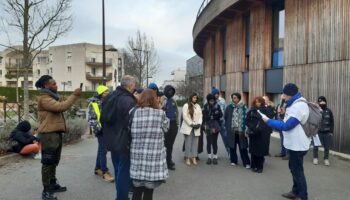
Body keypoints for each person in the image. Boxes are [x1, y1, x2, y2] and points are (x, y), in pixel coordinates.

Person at [261, 83, 310, 200]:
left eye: (284, 94)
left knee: (297, 171)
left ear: (290, 94)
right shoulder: (293, 104)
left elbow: (287, 126)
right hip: (293, 144)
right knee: (294, 169)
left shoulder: (299, 106)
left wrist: (268, 121)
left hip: (297, 145)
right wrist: (283, 114)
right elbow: (288, 120)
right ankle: (295, 191)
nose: (282, 96)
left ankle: (303, 196)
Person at [35, 75, 81, 200]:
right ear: (46, 85)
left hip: (55, 133)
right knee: (48, 162)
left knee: (54, 161)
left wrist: (72, 95)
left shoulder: (52, 96)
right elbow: (61, 107)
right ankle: (46, 190)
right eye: (54, 83)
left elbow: (62, 103)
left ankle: (53, 183)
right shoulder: (44, 98)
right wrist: (75, 95)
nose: (56, 85)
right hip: (48, 134)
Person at [101, 75, 137, 200]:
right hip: (123, 141)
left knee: (118, 170)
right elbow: (131, 122)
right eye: (134, 85)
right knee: (124, 172)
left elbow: (103, 118)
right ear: (130, 85)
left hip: (111, 140)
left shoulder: (109, 97)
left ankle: (120, 196)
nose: (135, 88)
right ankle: (121, 198)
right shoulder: (127, 100)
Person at [130, 89, 169, 200]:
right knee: (148, 192)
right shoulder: (160, 114)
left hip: (137, 157)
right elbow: (167, 128)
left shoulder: (133, 112)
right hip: (153, 159)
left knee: (136, 190)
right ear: (154, 99)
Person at [87, 85, 114, 182]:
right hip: (101, 130)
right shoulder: (93, 103)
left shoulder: (106, 102)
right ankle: (104, 171)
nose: (107, 93)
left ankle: (97, 168)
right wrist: (99, 129)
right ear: (101, 94)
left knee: (101, 149)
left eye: (107, 92)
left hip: (106, 129)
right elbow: (91, 119)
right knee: (103, 150)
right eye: (105, 92)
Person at [246, 97, 274, 173]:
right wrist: (253, 127)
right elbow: (247, 120)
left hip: (262, 134)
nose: (257, 103)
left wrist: (260, 129)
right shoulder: (252, 110)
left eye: (259, 102)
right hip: (253, 133)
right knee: (253, 151)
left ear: (262, 102)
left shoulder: (266, 110)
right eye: (256, 102)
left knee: (260, 151)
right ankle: (254, 166)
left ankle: (260, 167)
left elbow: (269, 120)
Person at [224, 93, 250, 168]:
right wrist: (228, 126)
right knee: (232, 147)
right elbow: (225, 117)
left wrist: (246, 128)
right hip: (232, 131)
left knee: (243, 147)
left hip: (241, 131)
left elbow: (247, 118)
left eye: (235, 98)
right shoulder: (229, 107)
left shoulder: (244, 107)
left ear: (239, 98)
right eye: (233, 98)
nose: (234, 99)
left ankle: (246, 162)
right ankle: (233, 160)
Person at [180, 93, 202, 166]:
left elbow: (200, 116)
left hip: (196, 127)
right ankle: (187, 158)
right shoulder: (186, 105)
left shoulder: (198, 106)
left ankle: (194, 157)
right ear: (191, 98)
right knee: (188, 143)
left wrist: (199, 123)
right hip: (188, 127)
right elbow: (185, 116)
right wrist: (191, 124)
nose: (195, 99)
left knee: (195, 143)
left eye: (196, 98)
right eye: (194, 98)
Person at [313, 96, 334, 166]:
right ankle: (315, 158)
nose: (321, 103)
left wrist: (331, 131)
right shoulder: (316, 110)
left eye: (323, 102)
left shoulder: (329, 111)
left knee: (327, 147)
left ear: (325, 102)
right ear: (318, 103)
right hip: (318, 132)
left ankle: (326, 159)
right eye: (320, 102)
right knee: (316, 146)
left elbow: (332, 122)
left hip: (327, 133)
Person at [162, 85, 179, 170]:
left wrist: (177, 123)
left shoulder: (174, 101)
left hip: (173, 124)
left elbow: (177, 112)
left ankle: (169, 160)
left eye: (172, 91)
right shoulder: (163, 101)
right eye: (169, 91)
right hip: (165, 124)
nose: (170, 92)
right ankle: (164, 161)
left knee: (170, 145)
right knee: (165, 144)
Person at [203, 93, 223, 165]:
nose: (212, 102)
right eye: (210, 101)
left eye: (213, 100)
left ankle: (215, 157)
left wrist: (213, 116)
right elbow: (205, 117)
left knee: (214, 142)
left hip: (215, 125)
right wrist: (213, 115)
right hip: (208, 126)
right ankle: (209, 157)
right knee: (208, 142)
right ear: (208, 100)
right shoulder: (205, 106)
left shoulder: (217, 106)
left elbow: (220, 114)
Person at [212, 87, 229, 155]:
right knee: (214, 139)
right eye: (215, 94)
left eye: (217, 94)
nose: (216, 95)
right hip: (214, 123)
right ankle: (215, 154)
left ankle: (229, 153)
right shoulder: (209, 100)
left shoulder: (222, 100)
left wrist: (226, 121)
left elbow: (226, 110)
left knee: (225, 137)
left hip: (222, 122)